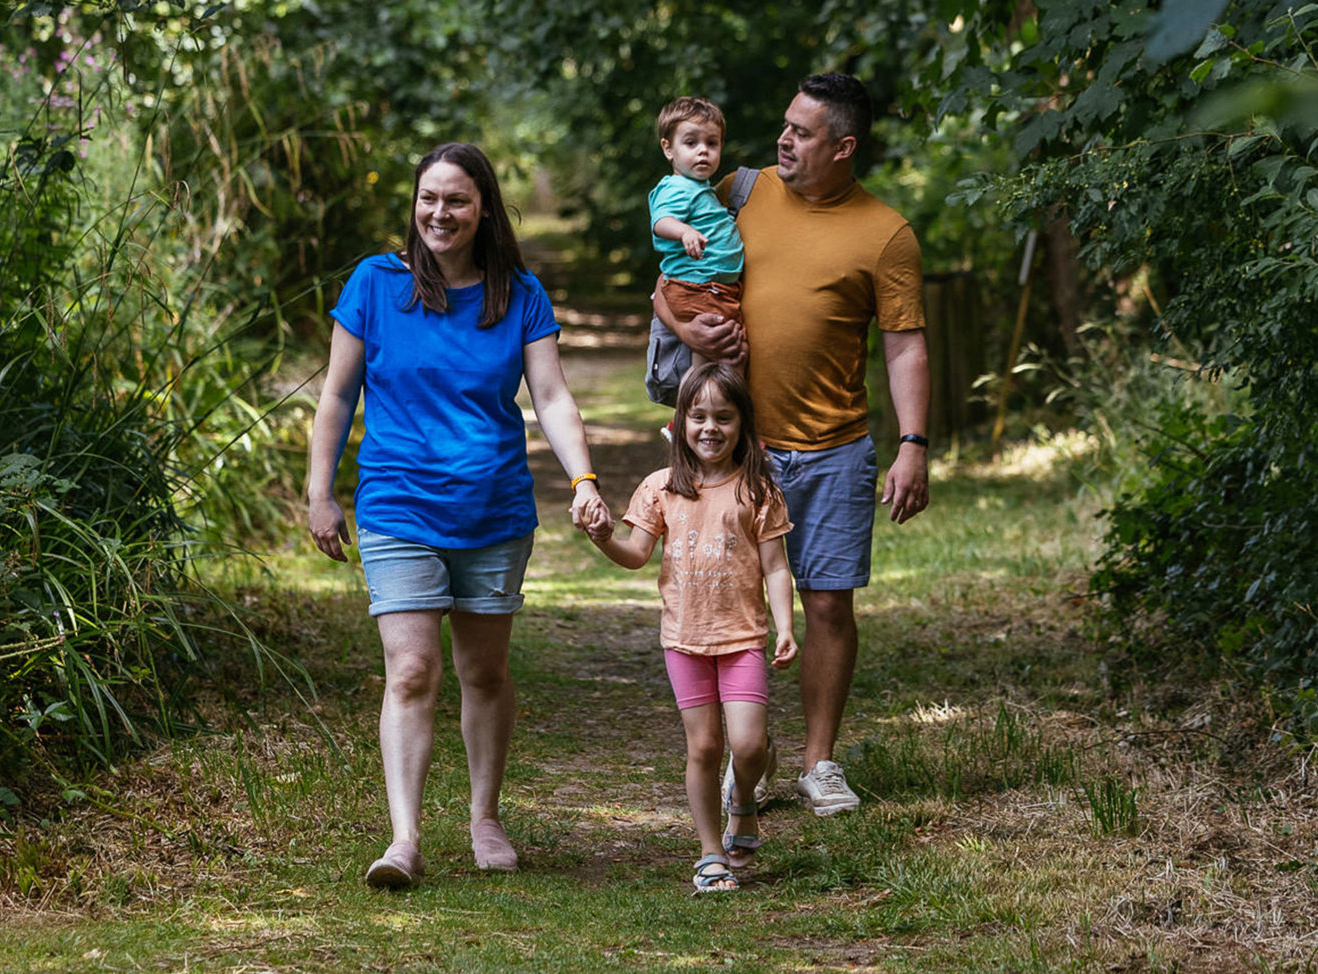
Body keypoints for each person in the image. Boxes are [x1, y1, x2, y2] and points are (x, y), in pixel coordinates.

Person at [307, 142, 611, 887]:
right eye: (428, 199)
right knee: (411, 670)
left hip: (492, 508)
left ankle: (483, 816)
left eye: (457, 201)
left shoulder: (518, 294)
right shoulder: (375, 285)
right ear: (414, 206)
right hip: (397, 502)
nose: (439, 213)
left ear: (483, 211)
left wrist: (583, 477)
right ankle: (403, 839)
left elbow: (552, 397)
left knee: (483, 669)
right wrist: (320, 489)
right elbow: (338, 395)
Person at [653, 73, 931, 817]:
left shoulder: (885, 234)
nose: (783, 139)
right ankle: (751, 759)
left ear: (842, 147)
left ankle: (818, 763)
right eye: (785, 125)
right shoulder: (740, 189)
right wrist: (684, 331)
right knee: (737, 610)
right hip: (741, 449)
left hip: (836, 448)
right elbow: (667, 276)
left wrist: (913, 444)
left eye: (802, 133)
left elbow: (905, 345)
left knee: (828, 606)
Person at [585, 363, 797, 892]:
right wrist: (603, 538)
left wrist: (787, 626)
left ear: (743, 425)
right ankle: (710, 853)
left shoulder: (757, 491)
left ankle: (742, 798)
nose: (710, 428)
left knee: (747, 747)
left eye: (724, 417)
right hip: (684, 639)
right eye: (698, 415)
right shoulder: (661, 489)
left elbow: (775, 567)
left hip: (743, 637)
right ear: (679, 423)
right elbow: (635, 554)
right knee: (703, 747)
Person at [644, 96, 747, 405]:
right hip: (696, 287)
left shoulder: (701, 189)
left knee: (726, 357)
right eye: (691, 143)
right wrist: (685, 231)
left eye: (712, 143)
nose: (703, 150)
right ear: (668, 148)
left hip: (712, 287)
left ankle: (703, 414)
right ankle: (693, 414)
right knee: (718, 357)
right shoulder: (675, 188)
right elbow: (661, 221)